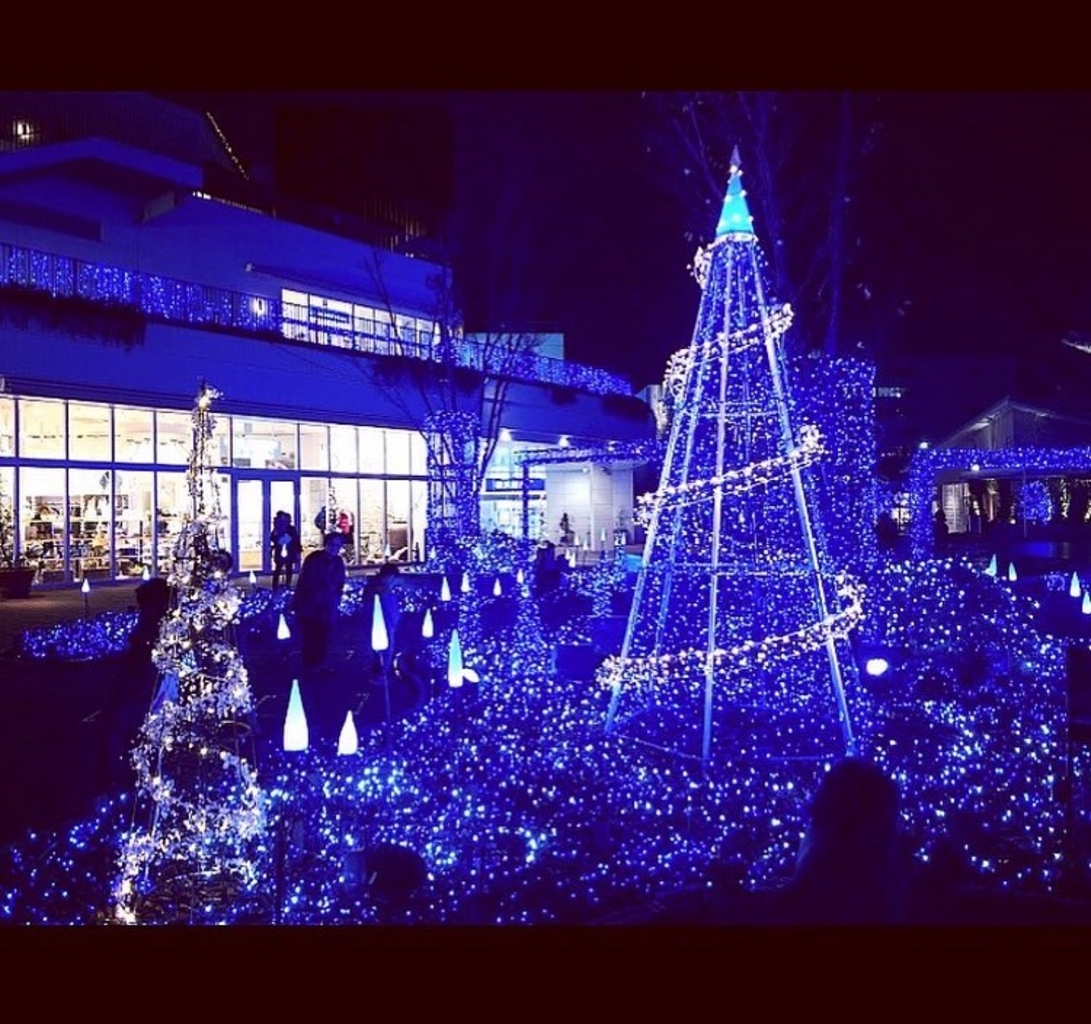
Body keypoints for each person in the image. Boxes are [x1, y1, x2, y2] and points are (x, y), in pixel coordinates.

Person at [290, 532, 346, 674]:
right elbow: (307, 581)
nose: (335, 548)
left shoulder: (338, 562)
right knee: (311, 635)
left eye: (338, 546)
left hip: (327, 606)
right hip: (312, 605)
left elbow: (340, 582)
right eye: (332, 545)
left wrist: (336, 594)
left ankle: (319, 663)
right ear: (326, 544)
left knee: (322, 635)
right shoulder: (314, 559)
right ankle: (310, 665)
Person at [362, 561, 402, 677]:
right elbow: (388, 609)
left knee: (378, 650)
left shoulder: (376, 587)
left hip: (384, 624)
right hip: (383, 625)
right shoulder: (381, 589)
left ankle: (379, 672)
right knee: (384, 650)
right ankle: (380, 673)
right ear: (390, 577)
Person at [270, 510, 301, 590]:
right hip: (285, 551)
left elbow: (296, 540)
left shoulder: (282, 528)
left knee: (283, 568)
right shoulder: (282, 528)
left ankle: (281, 584)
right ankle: (283, 584)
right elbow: (296, 540)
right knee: (284, 569)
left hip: (286, 551)